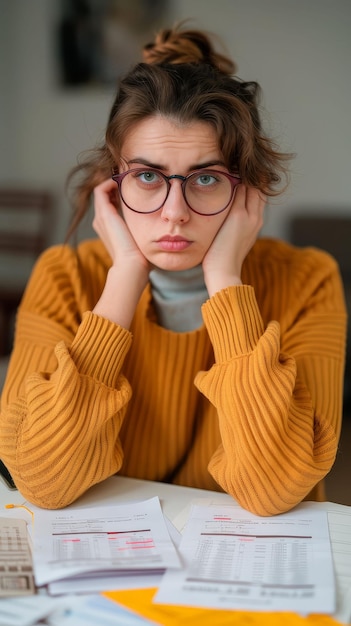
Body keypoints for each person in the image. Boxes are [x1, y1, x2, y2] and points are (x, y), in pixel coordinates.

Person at [0, 25, 347, 516]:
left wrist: (226, 281)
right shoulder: (64, 276)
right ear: (112, 185)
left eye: (205, 178)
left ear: (247, 188)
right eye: (147, 176)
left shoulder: (308, 280)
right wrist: (125, 275)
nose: (174, 212)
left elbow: (274, 489)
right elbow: (42, 480)